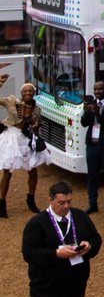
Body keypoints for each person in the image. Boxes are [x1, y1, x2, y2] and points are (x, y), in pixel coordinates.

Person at [0, 81, 52, 218]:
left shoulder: (36, 109)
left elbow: (36, 125)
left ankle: (31, 200)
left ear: (34, 93)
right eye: (25, 91)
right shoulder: (11, 101)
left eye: (30, 91)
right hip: (11, 137)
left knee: (33, 169)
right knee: (7, 171)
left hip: (26, 138)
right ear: (21, 93)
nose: (28, 93)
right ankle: (2, 204)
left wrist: (34, 127)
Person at [80, 80, 104, 214]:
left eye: (100, 89)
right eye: (95, 90)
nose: (97, 92)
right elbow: (84, 123)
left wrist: (97, 114)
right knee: (92, 175)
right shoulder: (92, 103)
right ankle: (92, 203)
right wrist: (86, 112)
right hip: (92, 144)